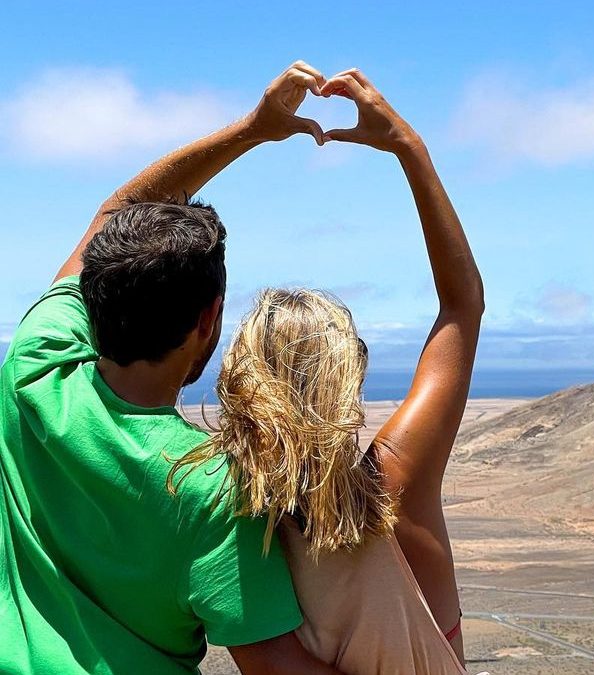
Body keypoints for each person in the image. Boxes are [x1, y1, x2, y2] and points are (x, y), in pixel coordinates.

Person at [0, 63, 347, 674]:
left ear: (95, 295)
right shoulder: (209, 488)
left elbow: (119, 212)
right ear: (209, 320)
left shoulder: (33, 367)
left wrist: (251, 129)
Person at [169, 68, 484, 673]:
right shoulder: (392, 486)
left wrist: (249, 131)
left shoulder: (222, 521)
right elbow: (462, 307)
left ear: (239, 379)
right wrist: (406, 148)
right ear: (350, 377)